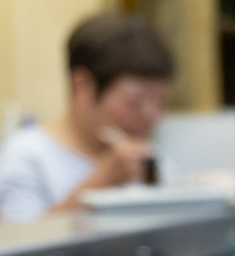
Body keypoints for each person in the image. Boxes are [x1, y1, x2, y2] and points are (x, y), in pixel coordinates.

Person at [0, 13, 174, 223]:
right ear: (81, 86)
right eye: (135, 102)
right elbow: (21, 239)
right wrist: (103, 180)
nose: (152, 116)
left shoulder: (151, 155)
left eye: (162, 102)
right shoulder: (26, 156)